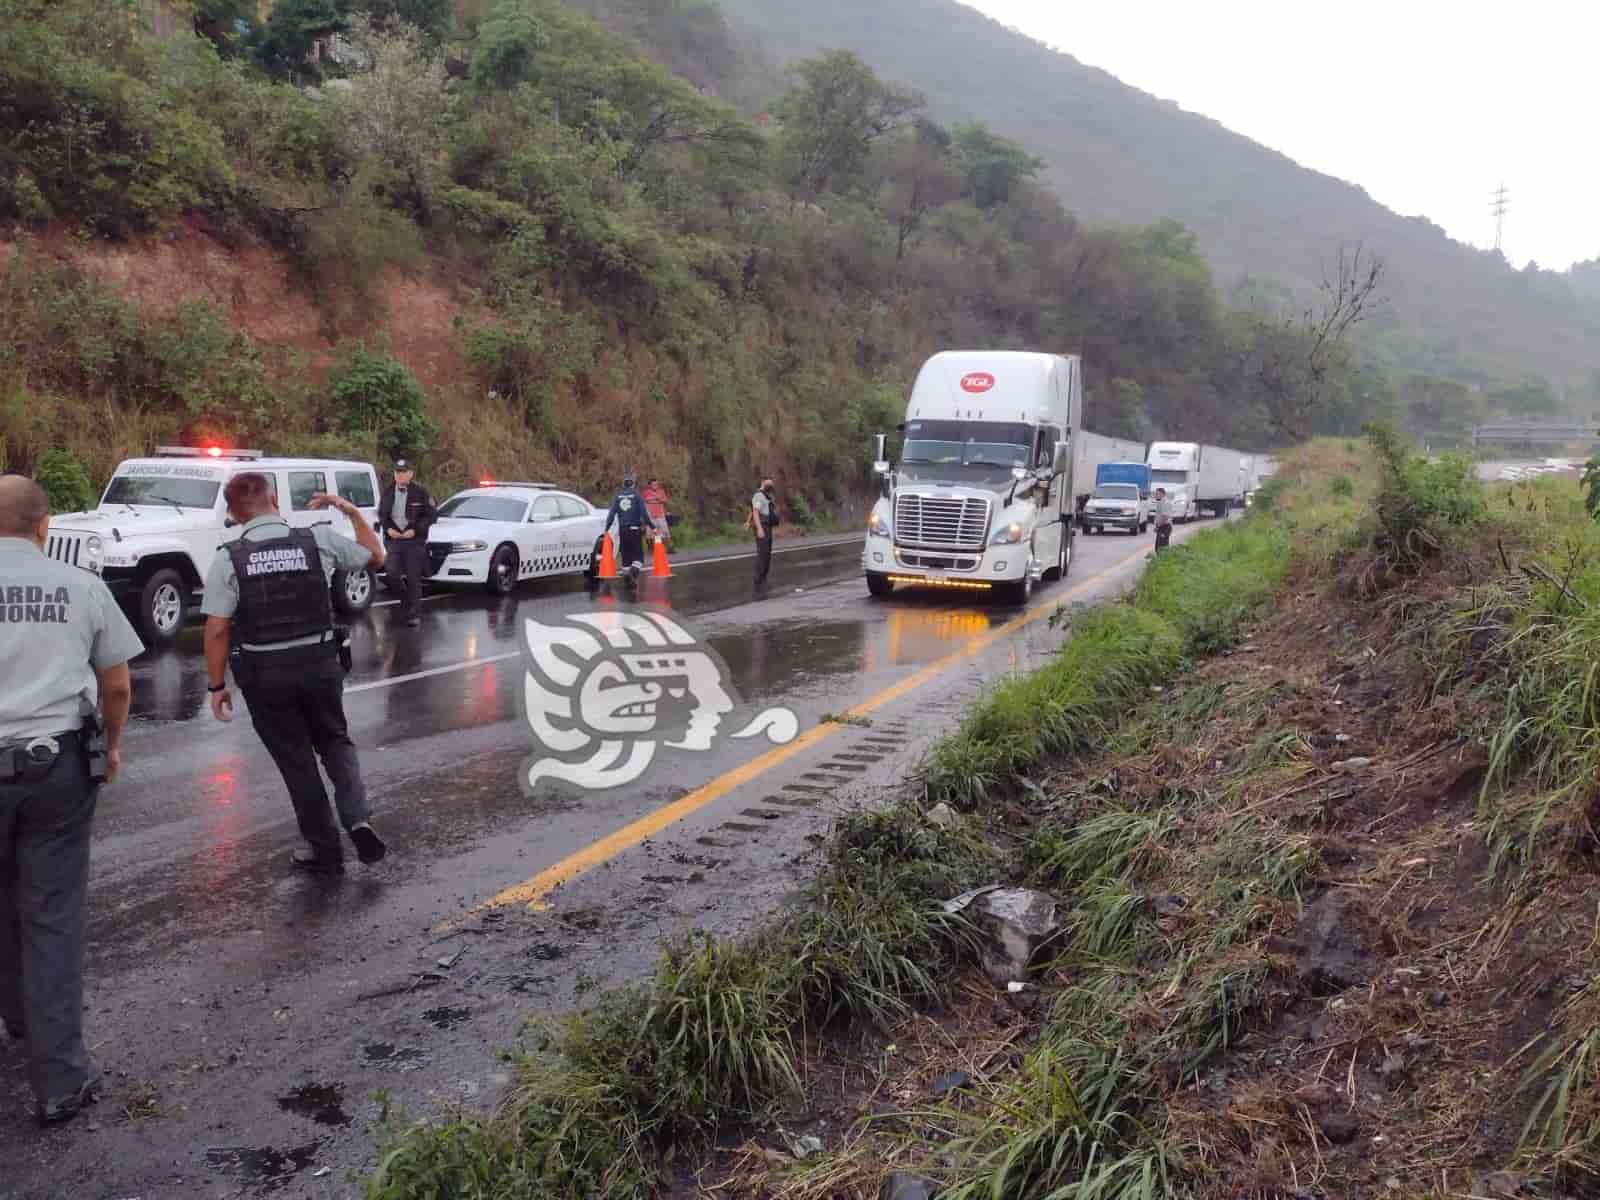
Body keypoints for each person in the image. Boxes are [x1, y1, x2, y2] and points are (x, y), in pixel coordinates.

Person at [0, 475, 142, 1125]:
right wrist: (109, 749)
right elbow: (115, 684)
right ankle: (59, 1082)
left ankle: (19, 1018)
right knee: (50, 916)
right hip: (54, 770)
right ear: (44, 525)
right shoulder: (81, 586)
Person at [201, 473, 389, 875]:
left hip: (265, 675)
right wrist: (354, 514)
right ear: (273, 498)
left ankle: (325, 850)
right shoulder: (317, 539)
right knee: (336, 742)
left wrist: (216, 686)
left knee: (297, 761)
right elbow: (376, 557)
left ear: (232, 512)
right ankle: (356, 818)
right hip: (321, 664)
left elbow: (216, 628)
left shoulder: (228, 557)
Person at [378, 458, 437, 628]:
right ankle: (406, 602)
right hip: (394, 540)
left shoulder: (421, 492)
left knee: (413, 578)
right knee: (391, 574)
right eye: (397, 472)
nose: (400, 475)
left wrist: (416, 530)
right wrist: (388, 529)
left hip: (414, 541)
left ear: (411, 474)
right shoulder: (388, 492)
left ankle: (414, 614)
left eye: (403, 472)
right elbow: (382, 515)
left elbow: (432, 515)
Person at [603, 473, 652, 581]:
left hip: (623, 530)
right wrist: (652, 527)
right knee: (638, 558)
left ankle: (628, 581)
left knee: (626, 559)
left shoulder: (617, 496)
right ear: (633, 484)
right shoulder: (636, 495)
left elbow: (611, 514)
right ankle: (632, 573)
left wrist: (606, 529)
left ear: (623, 484)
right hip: (634, 529)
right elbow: (644, 513)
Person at [750, 476, 779, 594]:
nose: (771, 484)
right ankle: (758, 582)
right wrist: (759, 529)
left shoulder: (766, 496)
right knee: (762, 555)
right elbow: (755, 512)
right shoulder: (758, 496)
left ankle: (764, 580)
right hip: (762, 527)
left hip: (768, 527)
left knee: (767, 555)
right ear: (763, 482)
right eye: (769, 482)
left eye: (772, 483)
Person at [641, 477, 671, 552]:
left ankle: (668, 548)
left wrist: (658, 498)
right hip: (650, 516)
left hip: (660, 515)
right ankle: (651, 549)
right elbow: (642, 503)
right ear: (650, 485)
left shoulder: (661, 491)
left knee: (665, 532)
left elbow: (665, 500)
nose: (655, 485)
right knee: (649, 534)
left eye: (656, 484)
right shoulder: (646, 492)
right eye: (653, 484)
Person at [1152, 486, 1174, 551]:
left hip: (1165, 527)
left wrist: (1158, 526)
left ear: (1162, 494)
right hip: (1162, 526)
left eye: (1157, 494)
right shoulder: (1161, 502)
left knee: (1162, 548)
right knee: (1158, 547)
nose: (1155, 495)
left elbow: (1165, 516)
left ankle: (1164, 560)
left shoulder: (1165, 502)